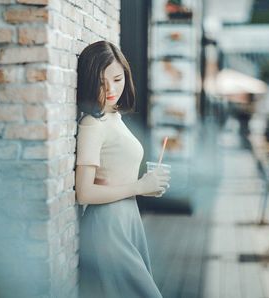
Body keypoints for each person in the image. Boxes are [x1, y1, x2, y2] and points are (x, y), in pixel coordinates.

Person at [74, 40, 170, 297]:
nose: (111, 89)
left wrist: (146, 186)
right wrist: (139, 186)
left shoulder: (113, 116)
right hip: (107, 228)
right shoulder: (92, 125)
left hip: (127, 220)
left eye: (117, 79)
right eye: (101, 82)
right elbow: (83, 192)